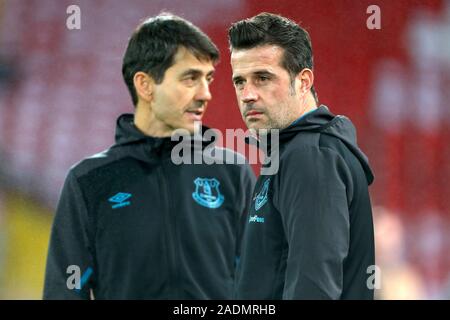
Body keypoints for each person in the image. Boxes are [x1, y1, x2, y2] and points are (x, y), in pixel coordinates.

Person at [43, 13, 255, 299]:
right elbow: (64, 291)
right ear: (145, 85)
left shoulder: (232, 172)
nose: (205, 94)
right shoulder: (89, 182)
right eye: (190, 78)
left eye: (208, 79)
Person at [229, 13, 375, 299]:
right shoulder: (291, 153)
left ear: (304, 81)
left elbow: (314, 287)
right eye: (239, 81)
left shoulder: (310, 157)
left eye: (262, 78)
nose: (247, 94)